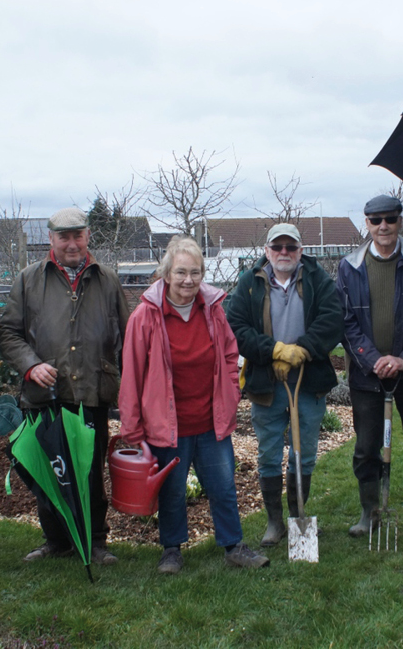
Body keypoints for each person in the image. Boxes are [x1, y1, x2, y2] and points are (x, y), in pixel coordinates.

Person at [119, 236, 269, 573]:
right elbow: (131, 373)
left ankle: (234, 547)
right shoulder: (145, 316)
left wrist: (231, 392)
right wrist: (132, 426)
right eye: (181, 272)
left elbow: (231, 354)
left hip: (210, 422)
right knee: (172, 493)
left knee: (223, 487)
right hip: (167, 426)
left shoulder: (213, 310)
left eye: (196, 272)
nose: (188, 280)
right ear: (167, 273)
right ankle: (171, 550)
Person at [0, 207, 129, 566]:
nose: (72, 244)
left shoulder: (108, 280)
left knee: (90, 470)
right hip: (46, 394)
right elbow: (8, 333)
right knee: (50, 470)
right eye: (63, 236)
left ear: (88, 236)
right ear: (51, 239)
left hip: (93, 391)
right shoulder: (28, 280)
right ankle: (56, 540)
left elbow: (127, 338)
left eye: (78, 235)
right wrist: (31, 364)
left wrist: (127, 389)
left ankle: (95, 540)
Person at [226, 223, 343, 547]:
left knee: (303, 455)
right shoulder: (251, 283)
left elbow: (333, 319)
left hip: (309, 383)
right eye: (277, 247)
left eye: (290, 247)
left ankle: (297, 518)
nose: (283, 253)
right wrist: (274, 350)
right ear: (267, 251)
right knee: (268, 455)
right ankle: (274, 523)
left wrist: (301, 349)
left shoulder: (318, 279)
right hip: (267, 384)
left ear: (300, 251)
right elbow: (236, 325)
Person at [337, 195, 403, 541]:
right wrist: (373, 359)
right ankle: (369, 511)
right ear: (366, 223)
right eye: (376, 220)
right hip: (366, 375)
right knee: (367, 446)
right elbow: (347, 321)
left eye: (390, 219)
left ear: (400, 221)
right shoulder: (348, 266)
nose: (383, 226)